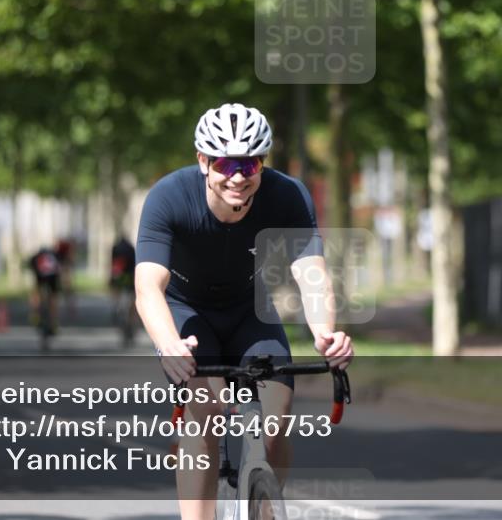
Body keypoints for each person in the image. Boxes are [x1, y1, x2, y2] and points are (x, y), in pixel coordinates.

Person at [135, 103, 354, 520]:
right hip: (187, 314)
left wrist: (326, 334)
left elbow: (311, 276)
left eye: (249, 164)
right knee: (206, 420)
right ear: (203, 161)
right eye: (225, 163)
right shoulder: (168, 197)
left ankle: (264, 507)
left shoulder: (287, 195)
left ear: (262, 164)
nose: (237, 176)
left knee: (276, 420)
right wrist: (169, 345)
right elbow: (148, 288)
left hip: (249, 310)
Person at [28, 245, 61, 334]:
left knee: (36, 291)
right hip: (53, 277)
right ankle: (54, 322)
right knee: (53, 297)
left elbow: (32, 270)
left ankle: (35, 314)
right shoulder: (54, 256)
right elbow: (60, 269)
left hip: (40, 276)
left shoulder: (35, 257)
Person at [109, 235, 137, 341]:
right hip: (130, 277)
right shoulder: (131, 249)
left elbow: (112, 264)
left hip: (118, 275)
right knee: (132, 302)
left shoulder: (115, 248)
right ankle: (130, 321)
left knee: (117, 294)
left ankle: (116, 308)